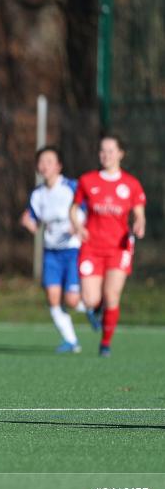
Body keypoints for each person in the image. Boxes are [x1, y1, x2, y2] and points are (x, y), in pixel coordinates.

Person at [71, 134, 146, 357]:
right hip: (91, 247)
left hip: (119, 248)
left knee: (112, 295)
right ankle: (97, 306)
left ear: (121, 154)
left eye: (111, 151)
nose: (106, 155)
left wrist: (139, 224)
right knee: (90, 299)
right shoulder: (87, 180)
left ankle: (105, 343)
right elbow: (73, 208)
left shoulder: (131, 184)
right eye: (102, 151)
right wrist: (77, 225)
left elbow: (139, 214)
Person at [20, 146, 90, 354]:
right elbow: (33, 220)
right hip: (51, 251)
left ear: (59, 166)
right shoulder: (38, 194)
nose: (45, 166)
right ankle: (70, 340)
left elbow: (86, 210)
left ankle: (91, 308)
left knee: (71, 299)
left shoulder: (71, 187)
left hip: (72, 250)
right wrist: (28, 223)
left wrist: (77, 224)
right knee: (52, 296)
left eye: (49, 161)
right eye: (41, 162)